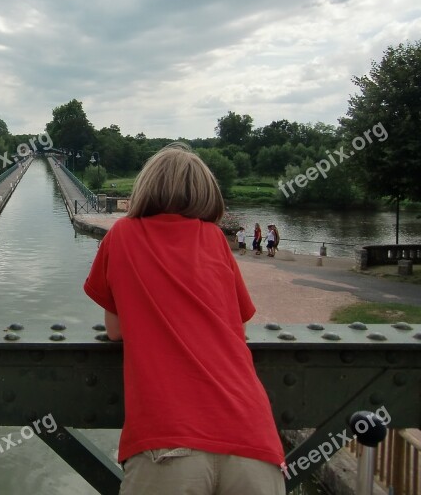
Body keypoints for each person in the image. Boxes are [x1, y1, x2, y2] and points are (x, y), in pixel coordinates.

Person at [84, 143, 285, 495]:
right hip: (253, 439)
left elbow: (115, 331)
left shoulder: (122, 235)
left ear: (146, 186)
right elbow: (235, 324)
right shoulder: (215, 239)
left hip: (170, 439)